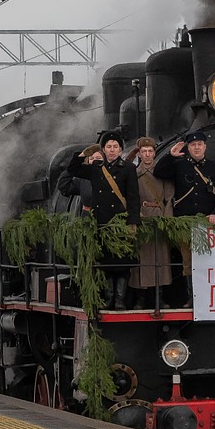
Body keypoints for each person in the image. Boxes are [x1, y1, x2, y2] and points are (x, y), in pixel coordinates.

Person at [62, 131, 140, 309]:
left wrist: (133, 222)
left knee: (122, 264)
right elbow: (73, 169)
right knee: (105, 265)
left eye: (115, 147)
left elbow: (133, 197)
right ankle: (109, 298)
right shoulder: (96, 169)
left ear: (120, 150)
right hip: (102, 223)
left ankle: (120, 300)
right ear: (104, 150)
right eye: (108, 147)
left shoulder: (128, 169)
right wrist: (82, 155)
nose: (112, 150)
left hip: (120, 223)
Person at [153, 130, 215, 305]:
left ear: (205, 146)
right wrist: (170, 156)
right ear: (188, 147)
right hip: (185, 221)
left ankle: (210, 295)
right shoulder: (179, 165)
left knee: (209, 259)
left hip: (207, 222)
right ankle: (192, 297)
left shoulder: (214, 167)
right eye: (193, 145)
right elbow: (159, 172)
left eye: (199, 144)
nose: (196, 148)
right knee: (188, 261)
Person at [126, 137, 173, 310]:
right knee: (141, 261)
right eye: (144, 151)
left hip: (159, 217)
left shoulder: (162, 172)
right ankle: (141, 298)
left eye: (150, 151)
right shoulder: (134, 174)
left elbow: (169, 196)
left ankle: (159, 298)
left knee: (161, 259)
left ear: (154, 153)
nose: (147, 154)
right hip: (142, 217)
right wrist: (136, 217)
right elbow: (131, 197)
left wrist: (166, 219)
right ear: (139, 153)